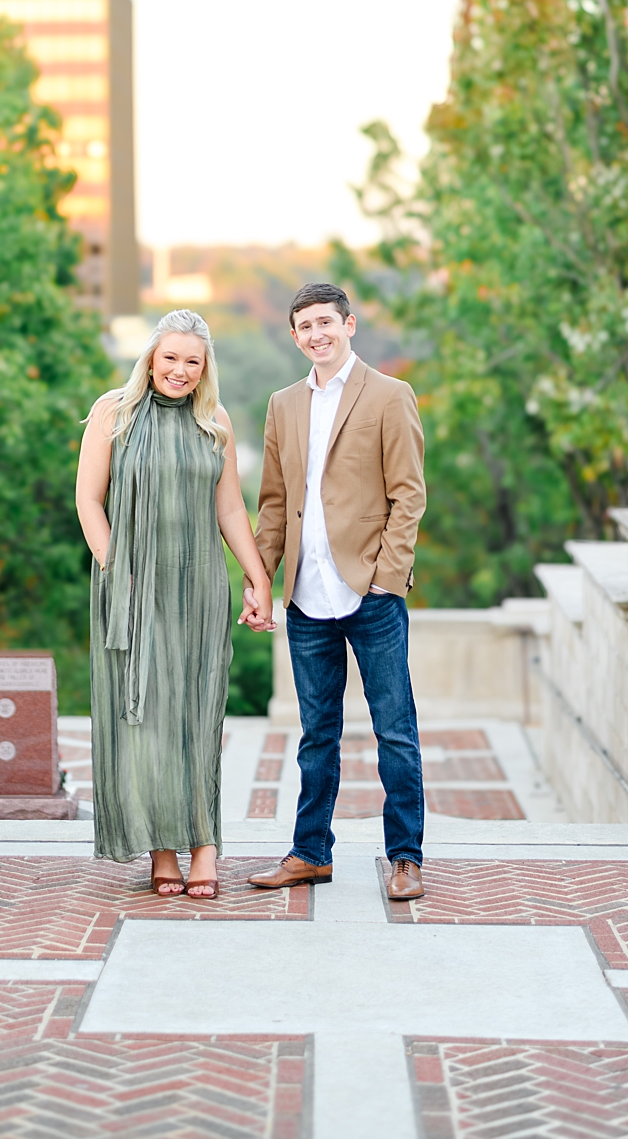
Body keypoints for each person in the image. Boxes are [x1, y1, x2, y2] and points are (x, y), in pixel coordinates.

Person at [76, 309, 275, 899]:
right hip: (130, 587)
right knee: (147, 720)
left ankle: (204, 845)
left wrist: (258, 577)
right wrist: (119, 572)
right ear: (151, 358)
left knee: (197, 711)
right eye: (171, 358)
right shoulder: (114, 412)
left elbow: (231, 509)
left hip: (198, 588)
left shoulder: (214, 420)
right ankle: (163, 848)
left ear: (205, 366)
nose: (180, 371)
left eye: (193, 361)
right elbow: (89, 502)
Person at [246, 282, 428, 902]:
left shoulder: (389, 395)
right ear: (295, 337)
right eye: (305, 327)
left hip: (371, 594)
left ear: (349, 325)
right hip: (307, 596)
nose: (316, 334)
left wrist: (386, 578)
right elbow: (273, 504)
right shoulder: (282, 405)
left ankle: (405, 857)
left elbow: (409, 495)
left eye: (326, 322)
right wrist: (261, 582)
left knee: (394, 731)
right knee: (316, 735)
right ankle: (309, 853)